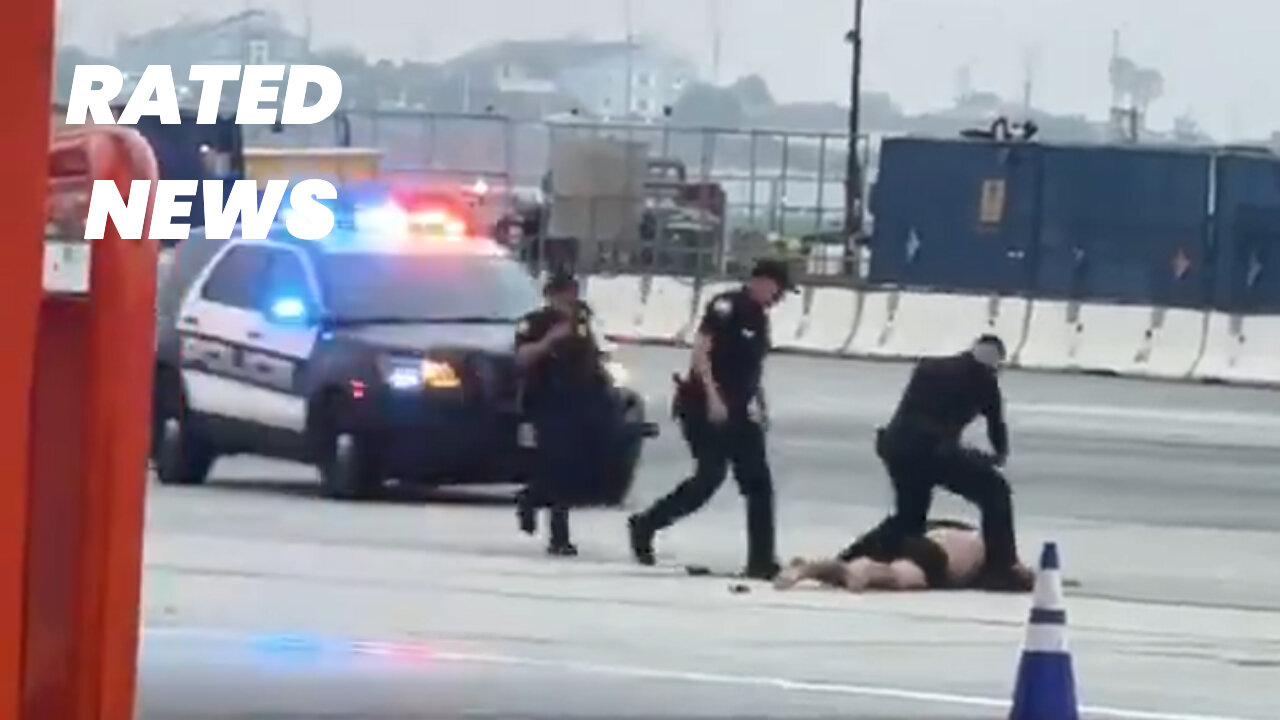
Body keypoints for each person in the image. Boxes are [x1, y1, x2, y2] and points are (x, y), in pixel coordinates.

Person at [627, 258, 797, 580]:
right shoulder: (727, 305)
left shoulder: (759, 318)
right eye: (779, 289)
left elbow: (750, 367)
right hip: (704, 406)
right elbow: (701, 350)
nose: (780, 298)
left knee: (759, 484)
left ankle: (761, 560)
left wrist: (759, 403)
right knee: (708, 478)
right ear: (764, 281)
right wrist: (713, 396)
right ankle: (646, 524)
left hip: (740, 410)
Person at [837, 334, 1031, 590]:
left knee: (909, 517)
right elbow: (996, 425)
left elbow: (914, 414)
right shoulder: (985, 382)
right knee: (995, 493)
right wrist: (997, 455)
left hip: (898, 448)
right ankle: (1001, 568)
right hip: (933, 451)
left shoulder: (930, 367)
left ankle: (850, 558)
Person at [514, 271, 617, 556]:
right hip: (548, 401)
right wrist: (549, 341)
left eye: (572, 293)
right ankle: (559, 536)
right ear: (551, 296)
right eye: (563, 294)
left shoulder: (581, 321)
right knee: (558, 463)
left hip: (583, 400)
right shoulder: (535, 323)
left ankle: (531, 497)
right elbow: (522, 357)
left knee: (576, 466)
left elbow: (591, 354)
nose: (569, 299)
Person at [774, 519, 1032, 593]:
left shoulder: (960, 531)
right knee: (896, 576)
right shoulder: (992, 550)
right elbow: (1017, 572)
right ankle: (865, 571)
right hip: (934, 557)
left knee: (851, 565)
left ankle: (809, 568)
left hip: (915, 535)